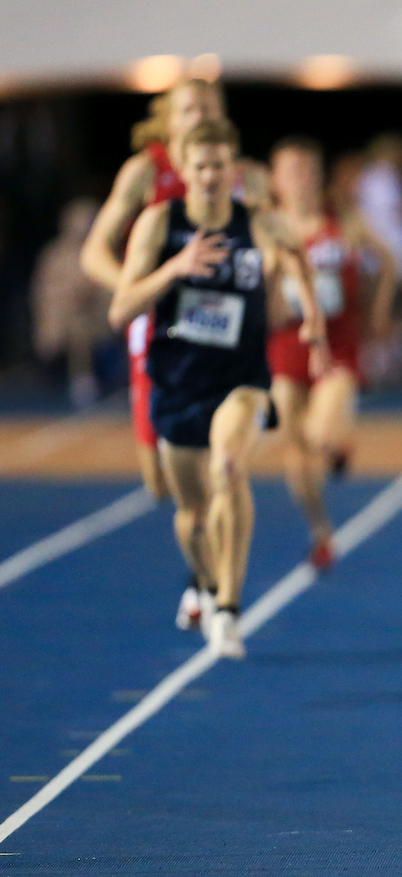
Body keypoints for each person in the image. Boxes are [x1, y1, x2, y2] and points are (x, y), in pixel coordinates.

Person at [111, 119, 328, 659]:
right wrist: (175, 269)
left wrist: (312, 316)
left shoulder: (258, 222)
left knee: (229, 467)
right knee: (191, 516)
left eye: (219, 166)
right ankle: (207, 585)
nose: (210, 176)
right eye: (200, 166)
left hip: (242, 377)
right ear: (183, 169)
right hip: (179, 380)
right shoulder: (160, 224)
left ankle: (229, 606)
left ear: (234, 170)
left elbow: (299, 254)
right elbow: (121, 308)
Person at [80, 77, 269, 630]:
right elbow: (94, 250)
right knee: (162, 482)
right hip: (160, 324)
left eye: (209, 108)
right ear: (169, 117)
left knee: (223, 467)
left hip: (227, 332)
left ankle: (210, 586)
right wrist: (143, 287)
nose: (197, 116)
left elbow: (267, 240)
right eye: (188, 109)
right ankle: (203, 566)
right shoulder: (145, 171)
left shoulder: (242, 174)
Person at [267, 136, 397, 568]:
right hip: (286, 346)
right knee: (295, 452)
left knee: (319, 435)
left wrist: (377, 312)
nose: (301, 180)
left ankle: (337, 442)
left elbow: (388, 260)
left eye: (308, 170)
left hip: (339, 346)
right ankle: (321, 530)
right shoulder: (267, 228)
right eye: (292, 171)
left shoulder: (342, 220)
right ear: (276, 180)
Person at [32, 198, 113, 407]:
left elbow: (110, 286)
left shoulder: (101, 251)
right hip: (61, 314)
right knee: (59, 327)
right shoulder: (54, 254)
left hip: (94, 316)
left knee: (81, 329)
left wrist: (89, 294)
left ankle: (83, 378)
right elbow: (43, 290)